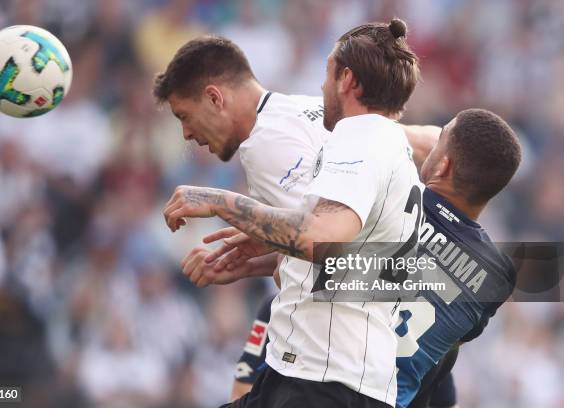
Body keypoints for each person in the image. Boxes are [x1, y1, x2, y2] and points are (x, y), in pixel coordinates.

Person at [163, 18, 421, 408]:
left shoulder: (356, 139)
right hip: (322, 372)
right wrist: (260, 251)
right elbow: (347, 250)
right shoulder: (383, 140)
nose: (321, 86)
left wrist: (220, 202)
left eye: (327, 73)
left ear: (346, 80)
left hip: (326, 378)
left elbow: (320, 240)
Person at [191, 109, 521, 408]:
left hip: (323, 378)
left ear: (444, 165)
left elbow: (317, 262)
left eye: (440, 140)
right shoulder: (497, 275)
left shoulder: (394, 202)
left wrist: (243, 231)